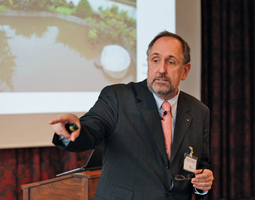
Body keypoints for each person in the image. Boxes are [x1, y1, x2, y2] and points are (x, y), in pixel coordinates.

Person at [50, 31, 214, 200]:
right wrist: (71, 128)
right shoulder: (118, 98)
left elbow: (199, 165)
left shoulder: (199, 111)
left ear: (185, 70)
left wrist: (203, 183)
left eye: (171, 62)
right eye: (155, 60)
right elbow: (89, 130)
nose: (161, 70)